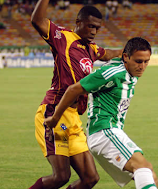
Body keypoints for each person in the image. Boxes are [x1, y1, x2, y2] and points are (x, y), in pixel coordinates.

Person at [29, 1, 123, 188]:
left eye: (97, 28)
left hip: (73, 119)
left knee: (90, 178)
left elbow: (107, 54)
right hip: (54, 112)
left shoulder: (91, 48)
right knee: (61, 176)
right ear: (78, 22)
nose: (94, 31)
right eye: (90, 26)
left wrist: (128, 52)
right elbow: (37, 20)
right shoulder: (62, 37)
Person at [44, 37, 158, 189]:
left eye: (146, 61)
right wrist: (55, 118)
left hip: (110, 132)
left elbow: (113, 56)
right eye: (138, 61)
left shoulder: (128, 70)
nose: (142, 66)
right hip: (104, 132)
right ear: (126, 57)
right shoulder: (112, 73)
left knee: (148, 172)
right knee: (142, 168)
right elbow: (73, 89)